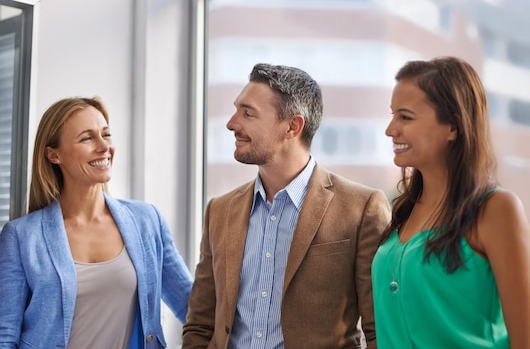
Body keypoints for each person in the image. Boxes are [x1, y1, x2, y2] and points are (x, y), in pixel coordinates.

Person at [182, 63, 391, 348]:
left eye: (248, 113)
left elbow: (380, 327)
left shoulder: (362, 208)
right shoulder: (219, 211)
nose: (232, 123)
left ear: (292, 126)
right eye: (236, 110)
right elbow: (200, 325)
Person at [0, 97, 193, 348]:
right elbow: (3, 336)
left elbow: (191, 306)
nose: (103, 146)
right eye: (87, 138)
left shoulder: (146, 220)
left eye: (106, 134)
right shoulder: (21, 237)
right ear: (54, 155)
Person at [372, 56, 530, 348]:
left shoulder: (496, 209)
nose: (390, 129)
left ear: (453, 127)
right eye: (392, 114)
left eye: (405, 117)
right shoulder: (403, 210)